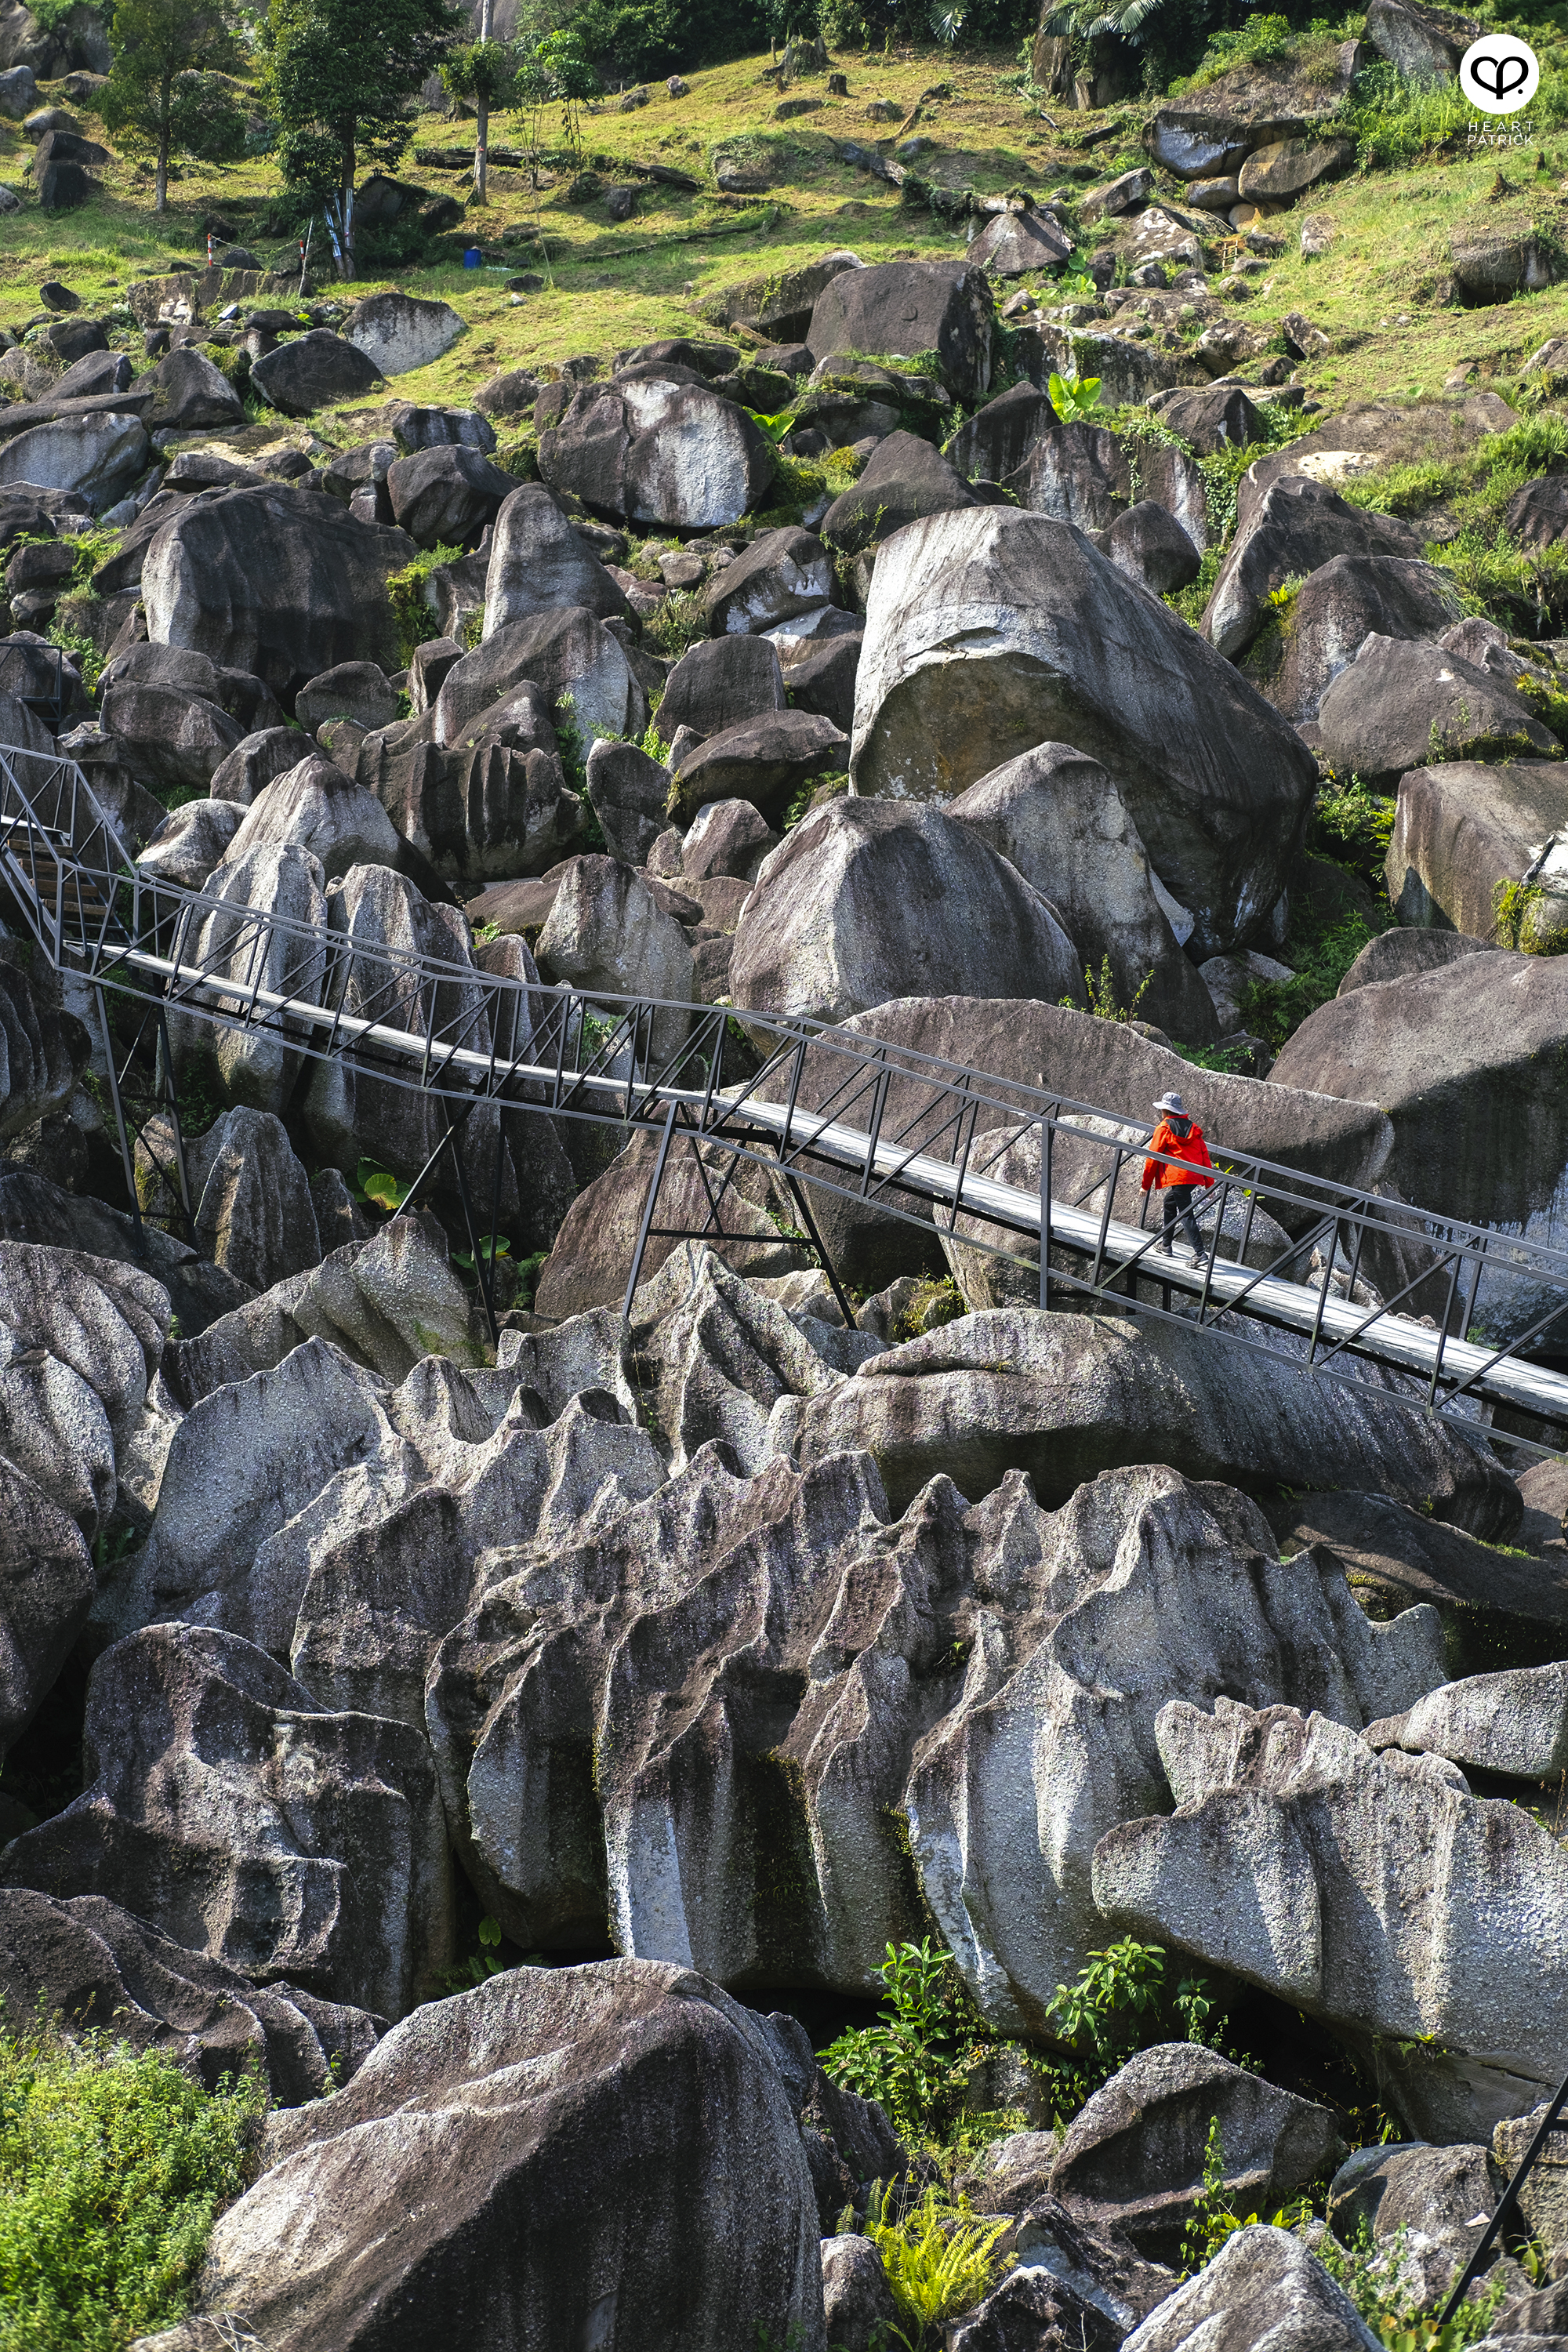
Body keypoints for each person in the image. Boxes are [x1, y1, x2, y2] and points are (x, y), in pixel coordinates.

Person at [1140, 1090, 1214, 1257]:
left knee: (1186, 1213)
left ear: (1165, 1111)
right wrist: (1209, 1183)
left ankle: (1200, 1254)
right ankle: (1166, 1244)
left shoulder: (1164, 1128)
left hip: (1179, 1177)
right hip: (1194, 1176)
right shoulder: (1194, 1129)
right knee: (1170, 1202)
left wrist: (1145, 1185)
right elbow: (1204, 1156)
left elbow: (1153, 1158)